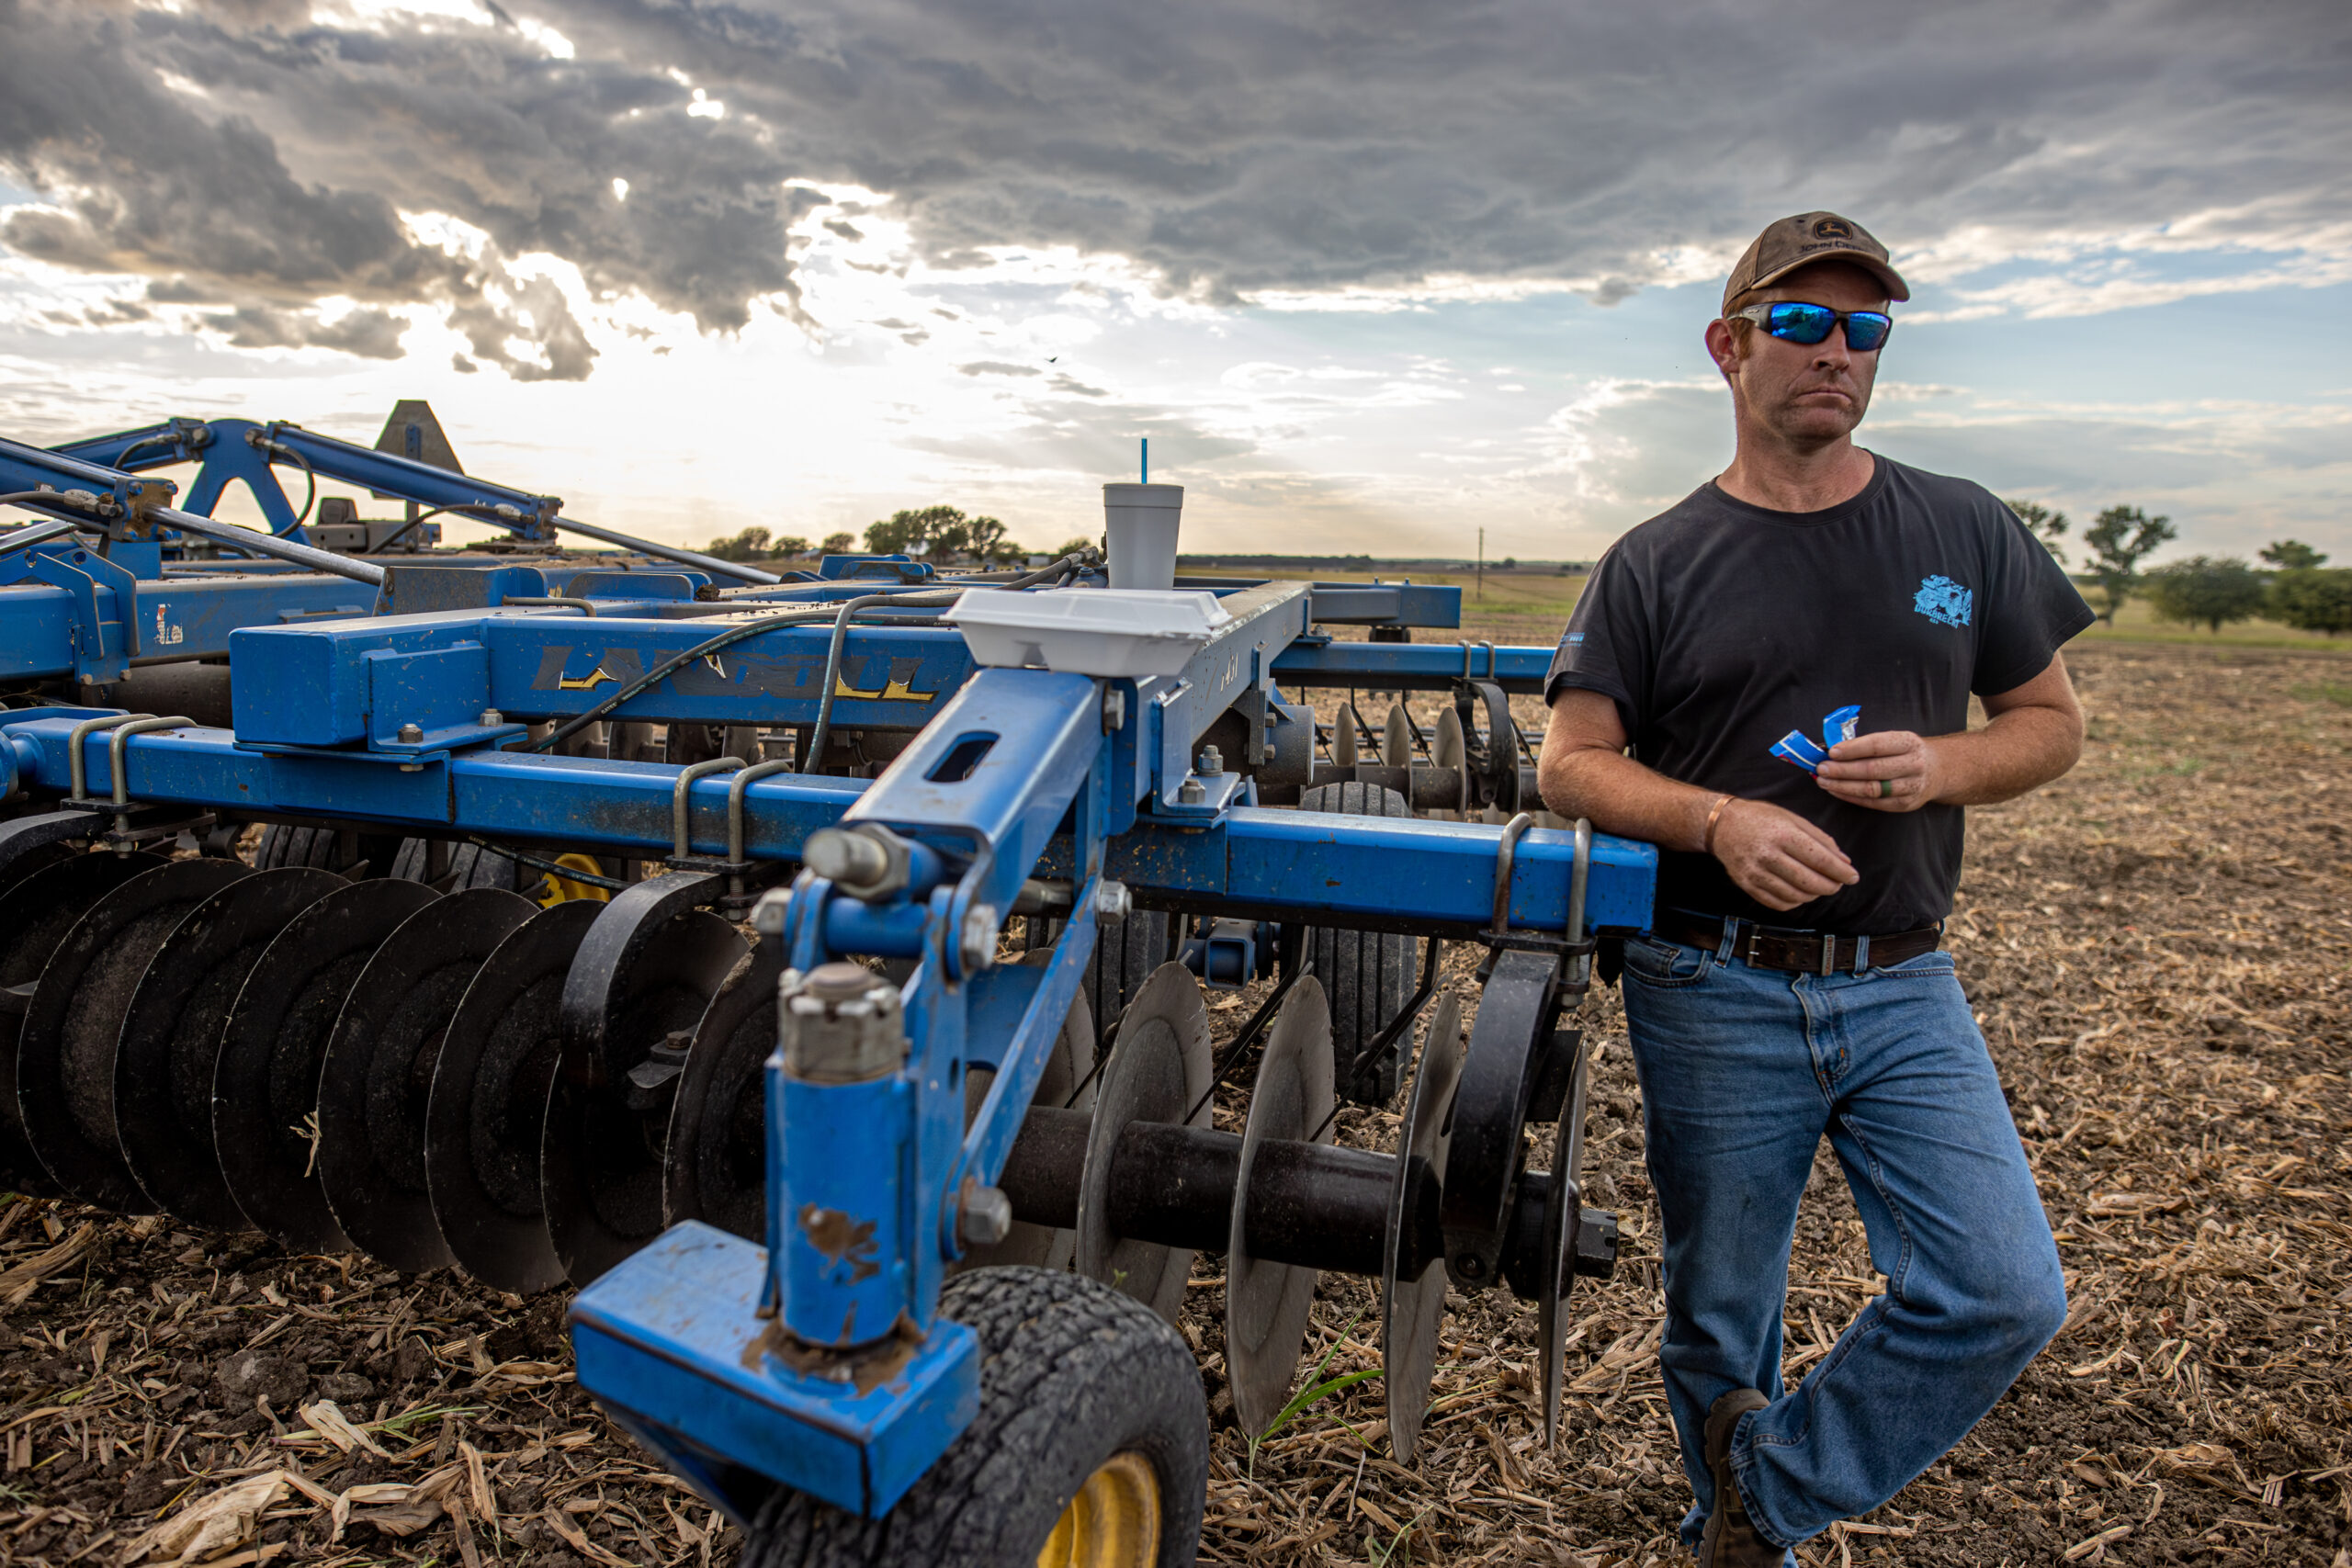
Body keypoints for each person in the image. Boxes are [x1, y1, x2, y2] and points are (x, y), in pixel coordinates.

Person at [1536, 211, 2088, 1566]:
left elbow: (2051, 722)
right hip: (1708, 978)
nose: (1834, 350)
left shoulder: (1962, 528)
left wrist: (1947, 764)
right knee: (1721, 1314)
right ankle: (1740, 1544)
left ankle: (1764, 1494)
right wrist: (1718, 820)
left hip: (1902, 976)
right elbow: (1571, 763)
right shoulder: (1656, 562)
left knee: (2001, 1292)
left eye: (1864, 327)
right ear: (1730, 348)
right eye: (1799, 323)